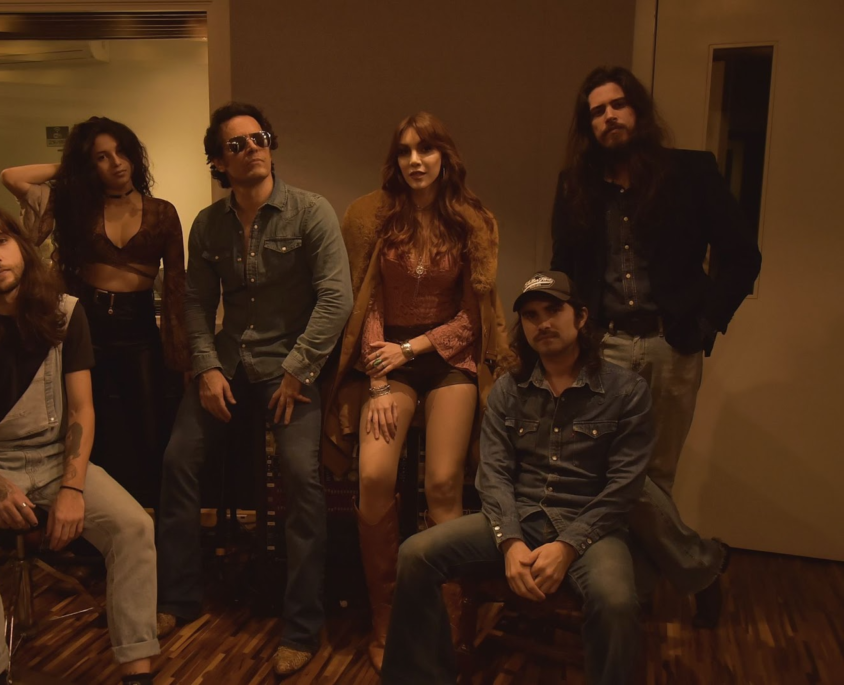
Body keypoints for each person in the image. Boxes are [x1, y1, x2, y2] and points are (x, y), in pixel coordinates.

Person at [551, 65, 758, 625]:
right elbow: (562, 271)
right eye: (597, 111)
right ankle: (702, 565)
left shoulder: (690, 173)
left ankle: (635, 600)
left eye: (617, 105)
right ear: (588, 126)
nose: (609, 116)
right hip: (605, 349)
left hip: (672, 345)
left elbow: (743, 256)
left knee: (655, 475)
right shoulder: (575, 186)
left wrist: (706, 323)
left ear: (637, 110)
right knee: (608, 473)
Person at [0, 206, 158, 685]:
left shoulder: (65, 313)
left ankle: (137, 668)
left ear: (21, 247)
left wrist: (72, 489)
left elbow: (81, 412)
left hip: (54, 458)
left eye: (1, 241)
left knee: (134, 527)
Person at [154, 102, 352, 676]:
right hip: (230, 362)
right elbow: (196, 303)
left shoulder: (311, 211)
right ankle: (178, 597)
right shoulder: (208, 224)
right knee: (178, 461)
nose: (252, 149)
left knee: (300, 479)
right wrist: (207, 367)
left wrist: (298, 369)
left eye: (259, 138)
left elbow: (336, 298)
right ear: (219, 162)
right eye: (236, 144)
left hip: (292, 367)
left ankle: (302, 625)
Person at [381, 271, 653, 685]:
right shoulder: (509, 389)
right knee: (416, 554)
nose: (542, 323)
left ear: (581, 317)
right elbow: (493, 474)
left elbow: (623, 488)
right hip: (518, 517)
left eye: (553, 310)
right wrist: (509, 541)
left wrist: (568, 547)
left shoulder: (627, 391)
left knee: (616, 602)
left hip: (592, 527)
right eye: (531, 315)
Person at [321, 112, 511, 672]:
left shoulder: (472, 221)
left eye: (425, 150)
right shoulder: (376, 218)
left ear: (444, 157)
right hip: (388, 360)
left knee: (444, 484)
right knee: (374, 476)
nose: (414, 161)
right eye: (404, 151)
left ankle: (449, 621)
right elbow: (367, 302)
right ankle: (387, 616)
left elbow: (473, 318)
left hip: (448, 359)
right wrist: (380, 377)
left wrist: (413, 349)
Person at [1, 116, 189, 506]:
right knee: (86, 432)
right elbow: (12, 177)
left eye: (121, 152)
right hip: (86, 324)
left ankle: (156, 521)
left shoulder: (162, 212)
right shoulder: (76, 207)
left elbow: (175, 288)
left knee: (151, 431)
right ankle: (86, 521)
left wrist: (181, 355)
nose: (116, 162)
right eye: (101, 157)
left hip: (138, 328)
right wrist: (71, 168)